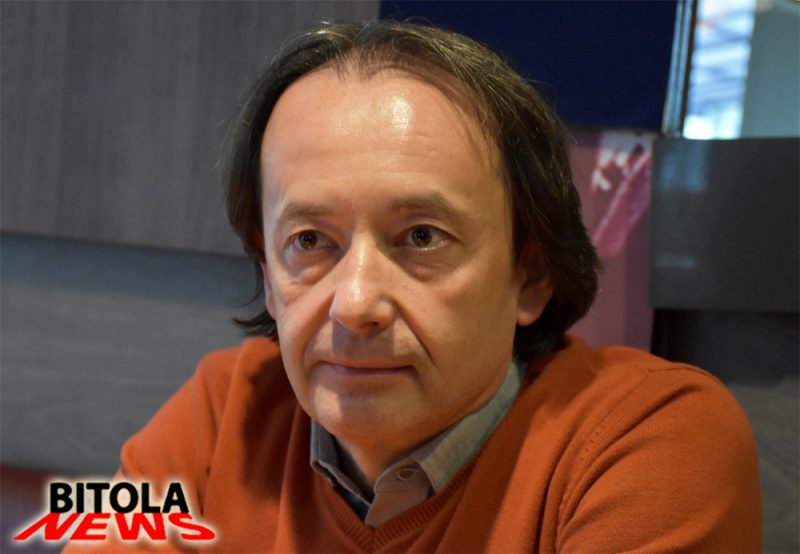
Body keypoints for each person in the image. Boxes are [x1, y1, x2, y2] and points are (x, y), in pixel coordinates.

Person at [69, 20, 761, 552]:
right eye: (309, 241)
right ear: (269, 278)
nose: (355, 305)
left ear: (531, 273)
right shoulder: (224, 415)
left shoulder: (646, 439)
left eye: (422, 237)